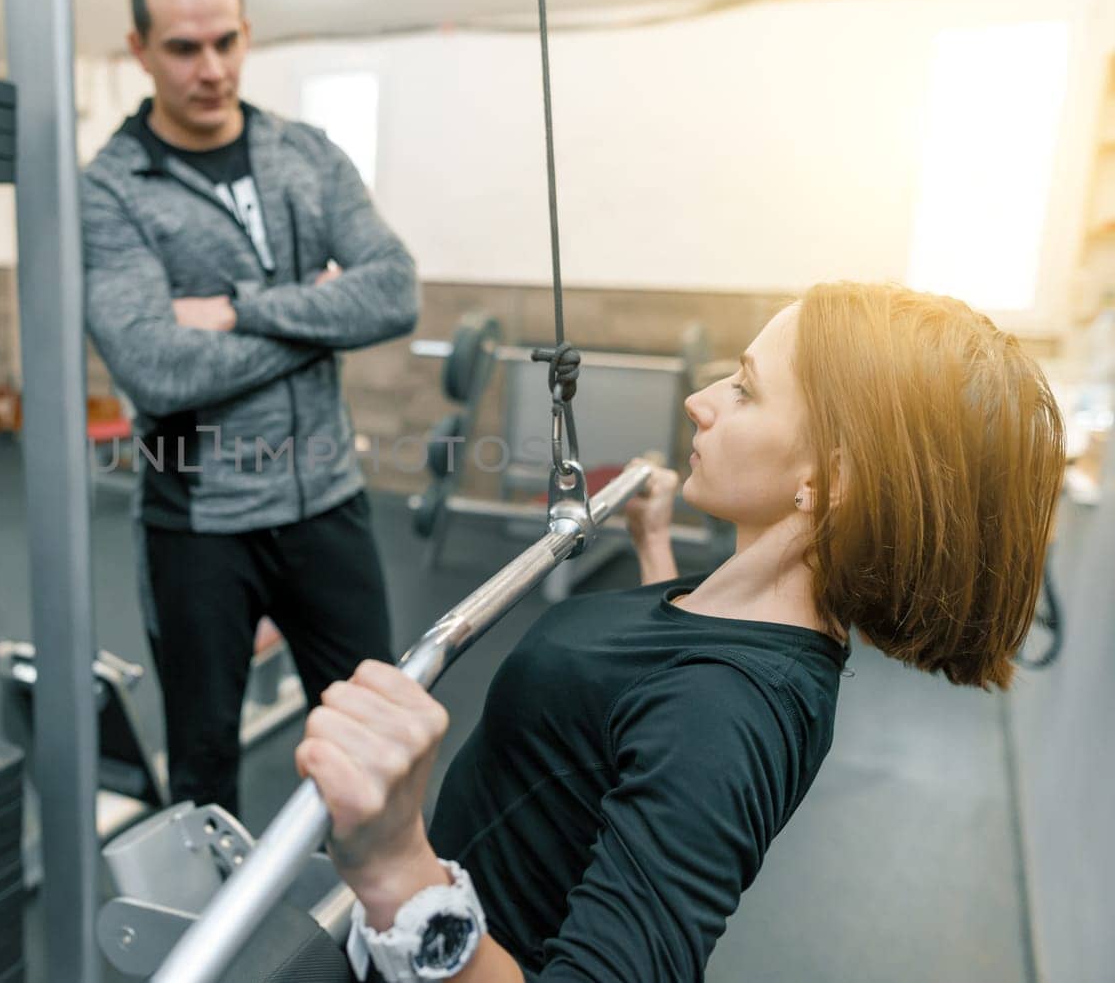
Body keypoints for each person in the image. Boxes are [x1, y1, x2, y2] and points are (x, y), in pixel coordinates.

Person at [292, 282, 1063, 981]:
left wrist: (398, 868)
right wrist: (654, 548)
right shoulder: (740, 610)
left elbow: (682, 705)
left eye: (746, 391)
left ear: (830, 480)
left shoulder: (725, 714)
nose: (700, 400)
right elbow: (645, 687)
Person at [81, 0, 419, 816]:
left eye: (226, 42)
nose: (212, 69)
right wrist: (315, 318)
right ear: (141, 49)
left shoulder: (304, 153)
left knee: (375, 738)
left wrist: (236, 309)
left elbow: (394, 290)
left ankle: (379, 925)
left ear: (246, 33)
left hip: (327, 504)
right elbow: (156, 366)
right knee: (201, 769)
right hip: (200, 526)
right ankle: (210, 948)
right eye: (185, 49)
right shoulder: (110, 192)